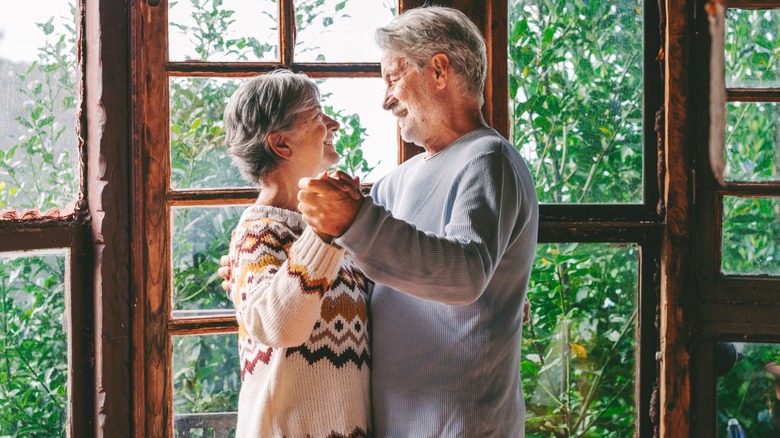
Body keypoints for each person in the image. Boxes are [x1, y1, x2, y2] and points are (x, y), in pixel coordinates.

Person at [296, 6, 539, 437]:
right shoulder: (393, 184)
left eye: (393, 78)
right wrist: (267, 267)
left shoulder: (489, 159)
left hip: (464, 425)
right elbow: (361, 274)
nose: (385, 99)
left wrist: (356, 220)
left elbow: (465, 277)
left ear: (440, 70)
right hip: (394, 423)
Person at [221, 70, 371, 438]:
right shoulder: (256, 234)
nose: (332, 123)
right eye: (318, 116)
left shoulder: (333, 236)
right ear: (281, 144)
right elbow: (279, 326)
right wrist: (326, 230)